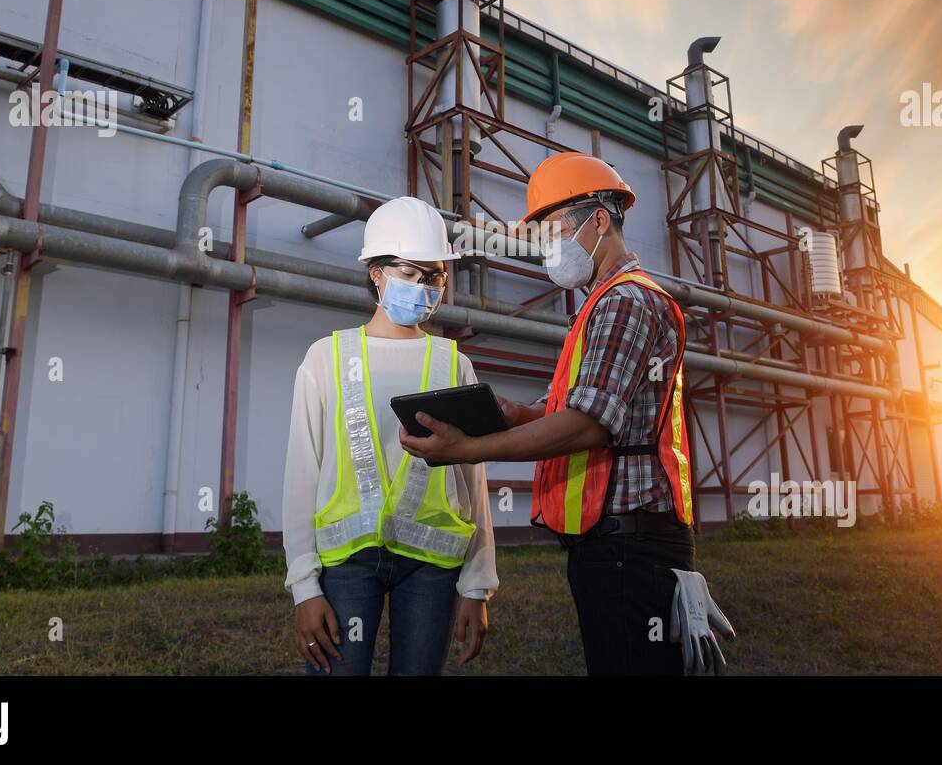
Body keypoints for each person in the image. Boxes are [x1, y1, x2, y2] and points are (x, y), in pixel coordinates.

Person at [399, 152, 734, 676]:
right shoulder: (601, 303)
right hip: (619, 544)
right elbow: (584, 410)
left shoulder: (625, 301)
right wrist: (517, 415)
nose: (547, 249)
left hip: (631, 546)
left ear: (599, 220)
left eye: (554, 232)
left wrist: (467, 451)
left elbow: (588, 425)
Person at [282, 196, 497, 675]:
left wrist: (477, 585)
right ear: (375, 273)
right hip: (346, 563)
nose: (423, 286)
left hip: (433, 567)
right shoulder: (326, 358)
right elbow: (302, 472)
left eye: (434, 274)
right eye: (408, 271)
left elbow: (473, 479)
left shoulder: (452, 363)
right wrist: (304, 587)